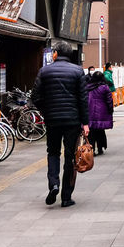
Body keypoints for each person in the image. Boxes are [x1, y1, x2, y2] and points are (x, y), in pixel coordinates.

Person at [31, 40, 89, 207]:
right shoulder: (78, 71)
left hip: (52, 120)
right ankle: (66, 197)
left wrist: (46, 110)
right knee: (71, 156)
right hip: (72, 120)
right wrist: (85, 123)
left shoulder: (44, 71)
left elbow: (35, 96)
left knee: (53, 152)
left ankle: (53, 184)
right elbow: (83, 99)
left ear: (55, 54)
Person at [86, 70, 114, 155]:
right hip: (102, 111)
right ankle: (100, 147)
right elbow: (109, 100)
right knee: (100, 130)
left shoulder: (88, 87)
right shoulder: (105, 87)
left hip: (90, 111)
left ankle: (92, 150)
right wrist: (110, 109)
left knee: (91, 132)